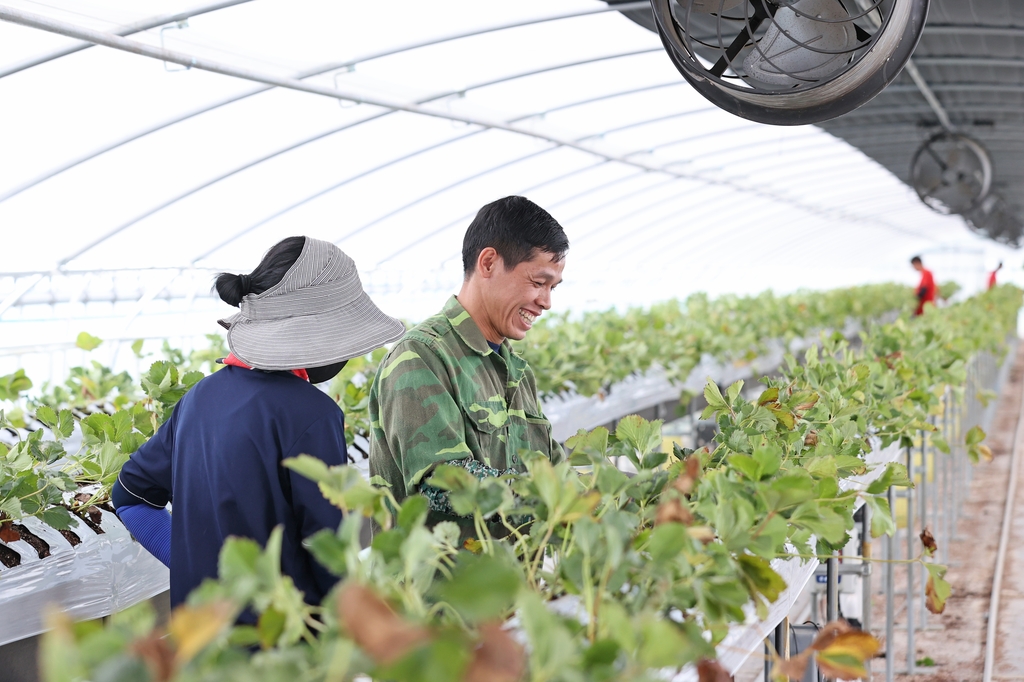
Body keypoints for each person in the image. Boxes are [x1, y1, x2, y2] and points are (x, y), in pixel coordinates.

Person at [112, 237, 404, 614]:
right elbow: (329, 555)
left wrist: (196, 569)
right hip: (281, 648)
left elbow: (129, 497)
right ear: (317, 335)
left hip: (200, 642)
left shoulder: (199, 398)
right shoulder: (312, 414)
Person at [369, 196, 567, 535]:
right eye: (538, 282)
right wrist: (543, 498)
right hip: (441, 587)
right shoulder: (420, 357)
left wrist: (629, 495)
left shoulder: (516, 371)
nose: (546, 302)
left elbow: (556, 472)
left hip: (516, 583)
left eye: (553, 287)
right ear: (488, 263)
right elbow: (441, 483)